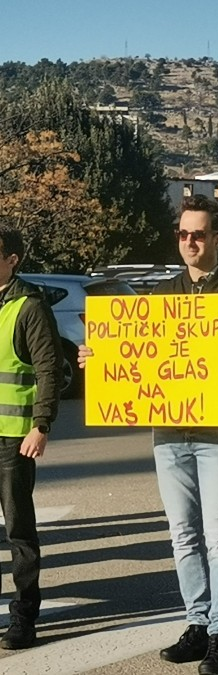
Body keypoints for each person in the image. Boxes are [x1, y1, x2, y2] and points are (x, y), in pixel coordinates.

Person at [79, 195, 218, 675]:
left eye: (200, 234)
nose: (190, 241)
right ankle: (195, 622)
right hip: (168, 430)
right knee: (183, 535)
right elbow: (140, 354)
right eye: (183, 233)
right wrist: (97, 359)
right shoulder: (162, 294)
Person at [0, 224, 63, 650]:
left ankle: (24, 616)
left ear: (12, 260)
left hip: (13, 438)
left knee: (19, 530)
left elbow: (48, 370)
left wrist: (41, 425)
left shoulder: (29, 305)